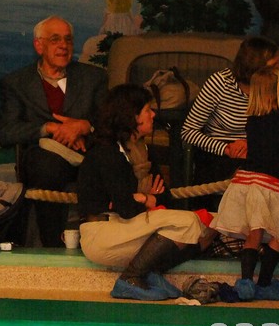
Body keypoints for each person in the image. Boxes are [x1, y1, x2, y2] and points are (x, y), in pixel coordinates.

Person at [78, 84, 213, 300]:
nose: (153, 115)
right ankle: (131, 277)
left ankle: (149, 272)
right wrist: (146, 198)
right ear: (132, 116)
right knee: (187, 222)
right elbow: (126, 208)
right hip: (103, 233)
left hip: (131, 227)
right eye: (147, 110)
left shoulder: (142, 150)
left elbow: (164, 197)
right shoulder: (106, 152)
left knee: (212, 224)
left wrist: (144, 198)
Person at [0, 15, 108, 246]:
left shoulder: (93, 78)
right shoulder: (16, 83)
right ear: (39, 46)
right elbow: (6, 133)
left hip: (87, 152)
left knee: (105, 162)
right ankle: (52, 245)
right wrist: (48, 128)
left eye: (68, 40)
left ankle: (98, 242)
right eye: (55, 39)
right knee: (46, 167)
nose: (63, 46)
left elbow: (110, 122)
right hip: (44, 159)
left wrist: (84, 126)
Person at [210, 66, 279, 302]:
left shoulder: (252, 120)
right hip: (271, 182)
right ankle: (264, 282)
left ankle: (245, 281)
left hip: (246, 180)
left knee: (254, 231)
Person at [181, 35, 279, 210]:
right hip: (220, 151)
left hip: (262, 149)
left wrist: (255, 144)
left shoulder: (278, 86)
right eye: (273, 66)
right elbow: (188, 131)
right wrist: (226, 148)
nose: (278, 71)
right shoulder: (220, 83)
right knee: (241, 173)